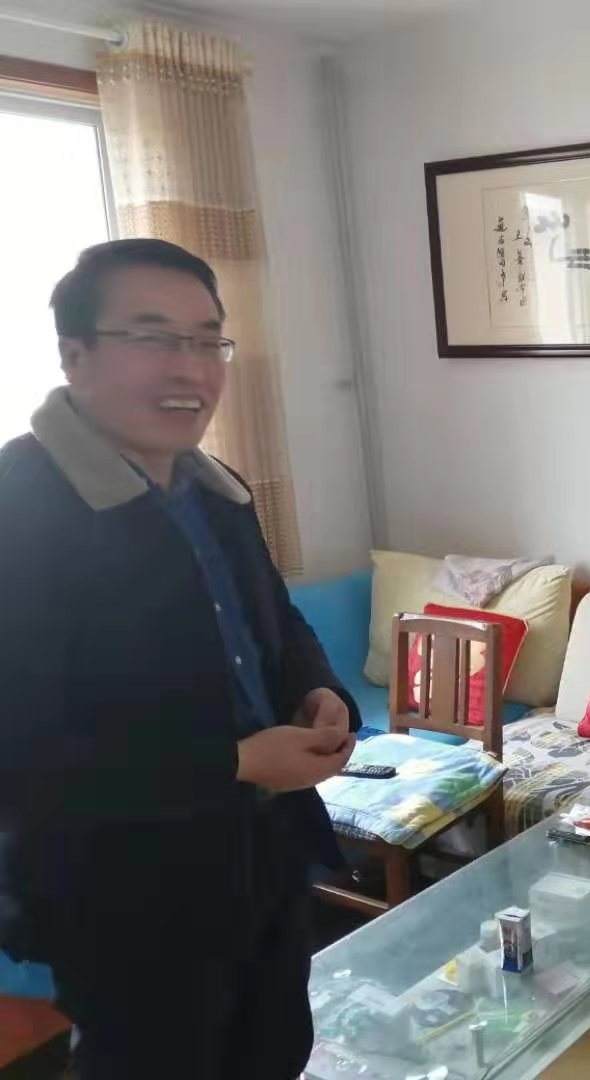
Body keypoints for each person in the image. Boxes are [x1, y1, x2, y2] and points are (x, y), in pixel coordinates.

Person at [0, 239, 360, 1079]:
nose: (190, 369)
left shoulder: (214, 487)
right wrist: (237, 762)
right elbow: (23, 760)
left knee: (273, 1053)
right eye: (154, 337)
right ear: (75, 354)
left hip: (261, 862)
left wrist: (319, 689)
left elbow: (278, 624)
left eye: (207, 341)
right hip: (124, 896)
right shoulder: (21, 509)